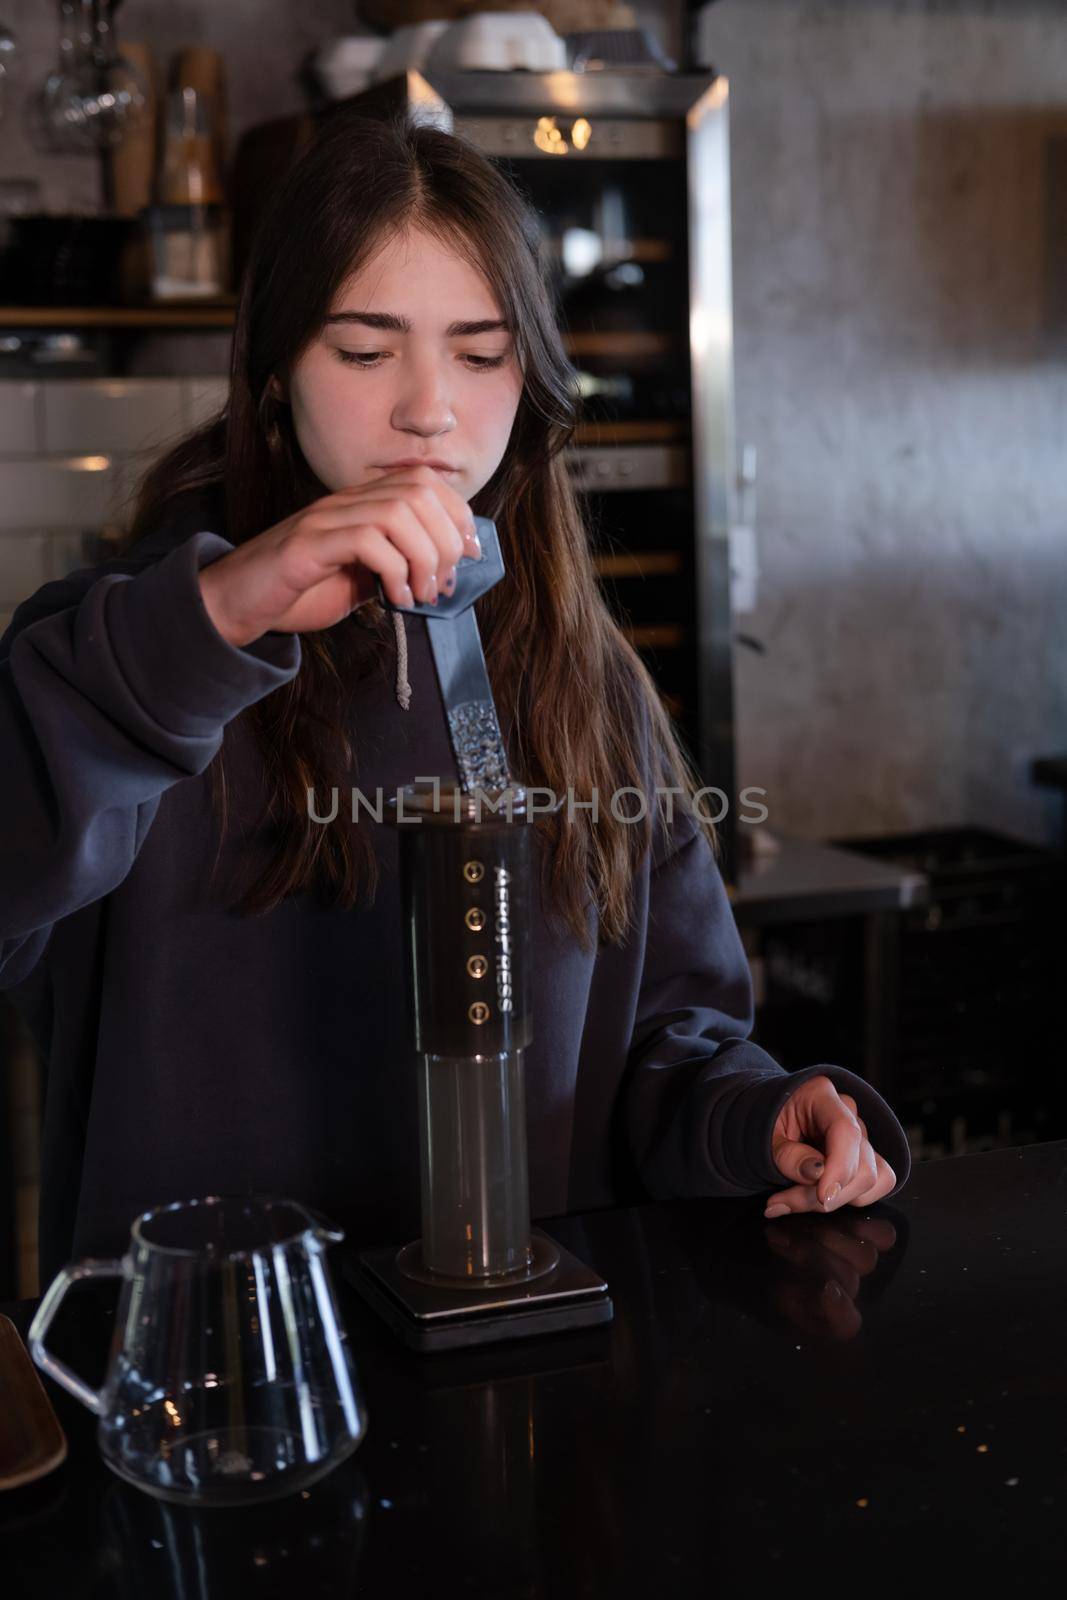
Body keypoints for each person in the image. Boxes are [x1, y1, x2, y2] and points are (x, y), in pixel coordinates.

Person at [0, 108, 910, 1283]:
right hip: (229, 1385)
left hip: (526, 1378)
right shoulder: (120, 649)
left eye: (478, 354)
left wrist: (756, 1118)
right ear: (274, 370)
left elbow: (659, 1042)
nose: (428, 408)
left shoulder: (579, 675)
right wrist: (223, 612)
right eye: (366, 350)